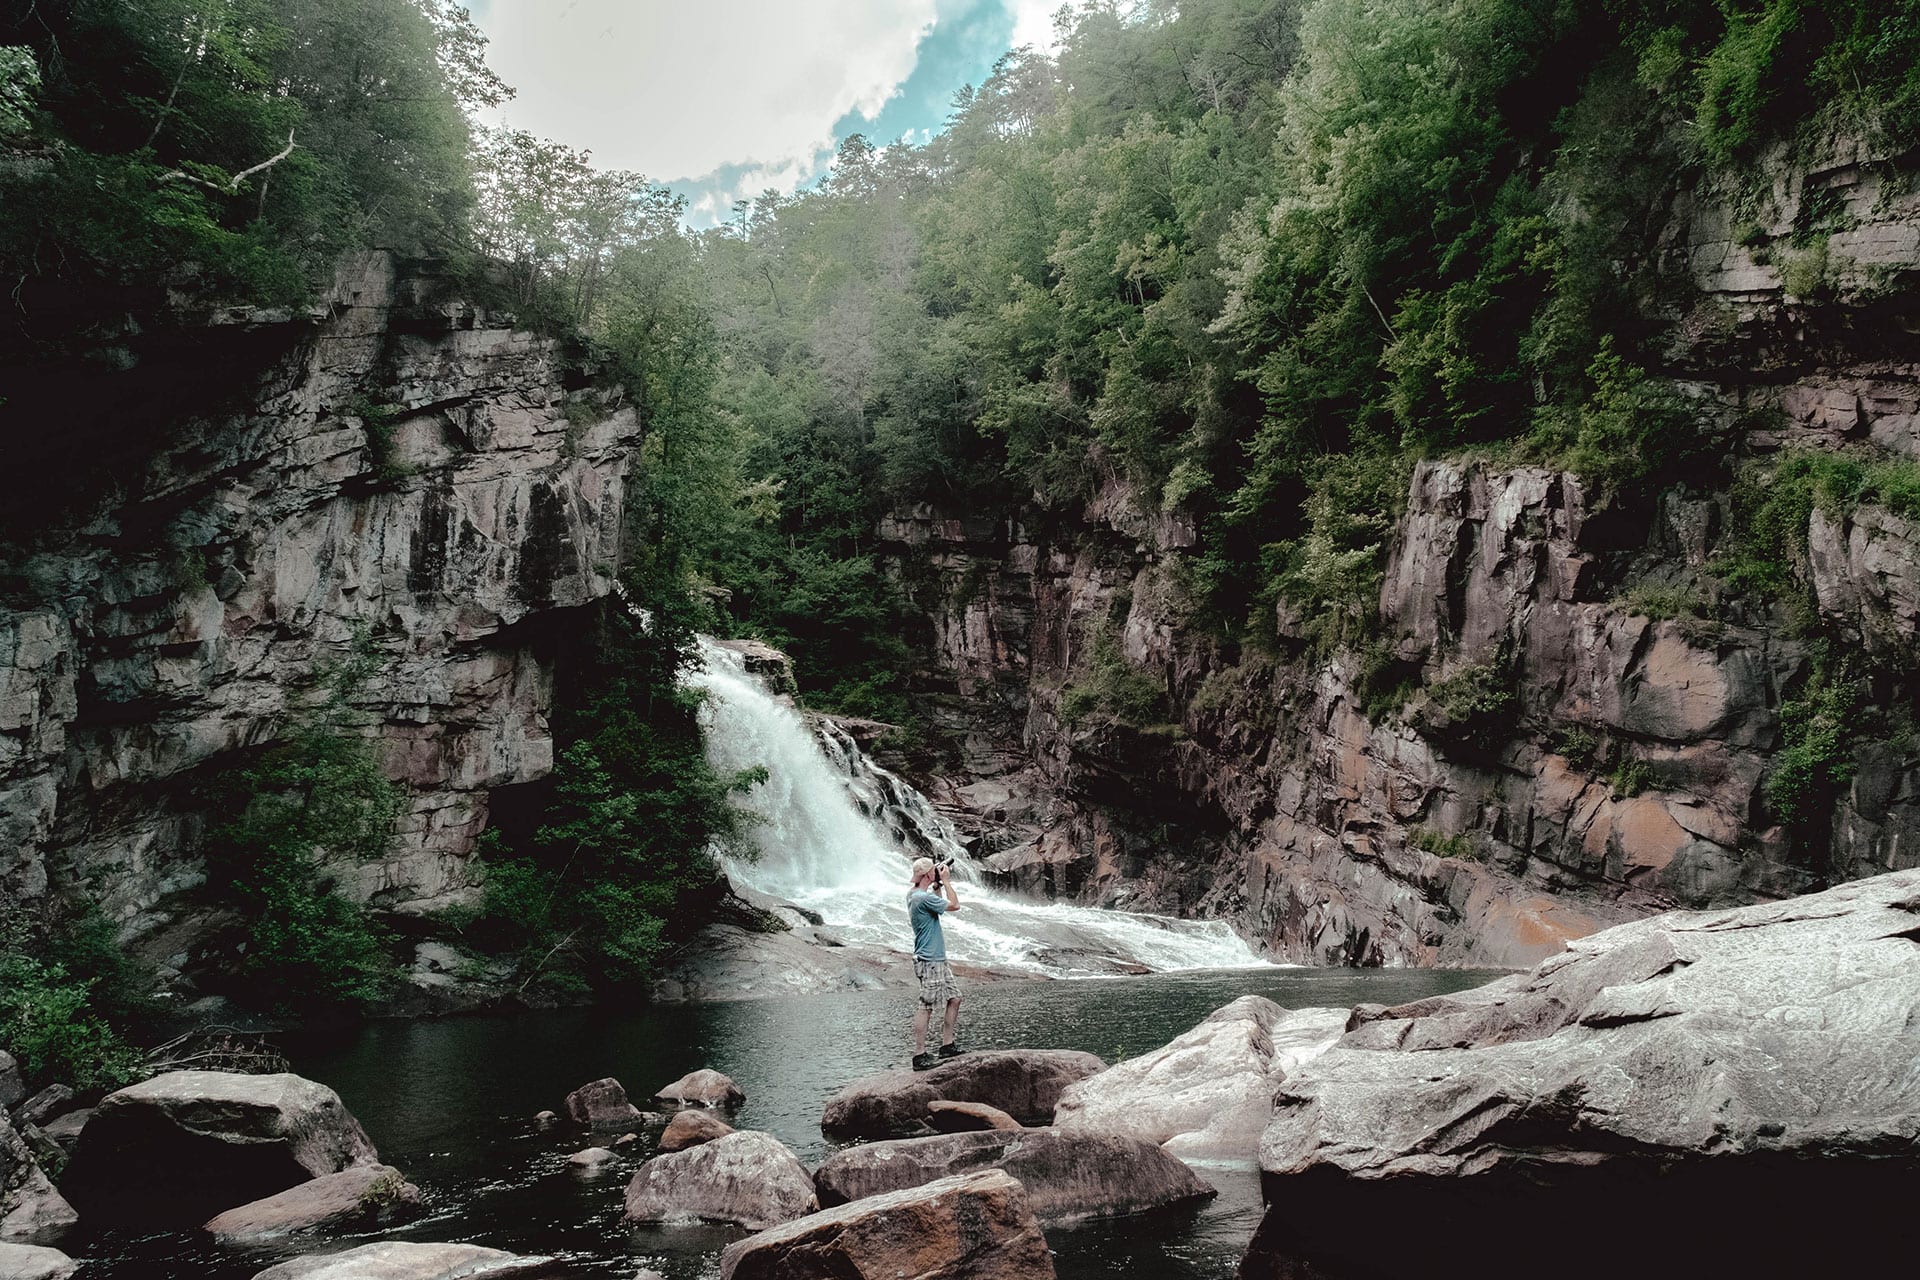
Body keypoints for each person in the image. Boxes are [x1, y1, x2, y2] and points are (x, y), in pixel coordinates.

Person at [906, 855, 962, 1071]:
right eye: (933, 872)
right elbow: (954, 905)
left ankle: (947, 1045)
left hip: (936, 958)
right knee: (926, 1007)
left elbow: (936, 904)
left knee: (955, 998)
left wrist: (936, 885)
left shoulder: (914, 895)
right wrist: (946, 881)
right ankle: (919, 1055)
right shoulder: (922, 898)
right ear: (928, 874)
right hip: (930, 960)